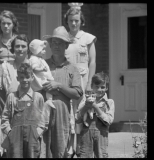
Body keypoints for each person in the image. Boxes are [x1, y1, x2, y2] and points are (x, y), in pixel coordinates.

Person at [40, 26, 83, 158]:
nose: (56, 45)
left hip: (62, 115)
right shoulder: (42, 64)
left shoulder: (72, 68)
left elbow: (77, 94)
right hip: (42, 114)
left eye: (59, 43)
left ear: (66, 45)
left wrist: (59, 86)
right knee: (42, 150)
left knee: (60, 151)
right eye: (53, 42)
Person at [64, 3, 97, 157]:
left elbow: (92, 61)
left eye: (76, 20)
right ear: (67, 21)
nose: (74, 23)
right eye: (71, 20)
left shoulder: (87, 38)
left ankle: (82, 147)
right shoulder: (63, 37)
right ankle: (70, 148)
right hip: (68, 79)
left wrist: (90, 82)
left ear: (81, 21)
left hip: (83, 80)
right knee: (69, 111)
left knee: (83, 111)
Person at [0, 34, 30, 157]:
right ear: (12, 49)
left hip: (30, 118)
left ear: (28, 48)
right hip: (11, 118)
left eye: (23, 46)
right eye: (17, 46)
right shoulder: (4, 68)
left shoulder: (34, 65)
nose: (20, 49)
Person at [1, 62, 49, 158]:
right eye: (21, 77)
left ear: (32, 77)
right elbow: (4, 118)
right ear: (17, 78)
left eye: (27, 77)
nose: (24, 80)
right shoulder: (12, 96)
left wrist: (37, 133)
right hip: (15, 138)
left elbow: (44, 119)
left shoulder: (38, 97)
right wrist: (10, 133)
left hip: (33, 137)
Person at [75, 72, 115, 158]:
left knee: (101, 155)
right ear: (92, 86)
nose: (99, 89)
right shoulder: (86, 99)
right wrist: (86, 107)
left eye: (102, 87)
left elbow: (108, 121)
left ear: (107, 88)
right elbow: (77, 119)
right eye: (96, 87)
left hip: (101, 136)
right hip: (86, 134)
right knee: (85, 155)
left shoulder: (109, 102)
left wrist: (95, 107)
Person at [29, 39, 55, 109]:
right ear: (36, 50)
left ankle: (49, 100)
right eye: (43, 49)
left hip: (44, 78)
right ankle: (48, 101)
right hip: (40, 80)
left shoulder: (40, 58)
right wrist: (42, 69)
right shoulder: (33, 59)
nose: (45, 51)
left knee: (49, 89)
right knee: (47, 90)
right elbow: (35, 68)